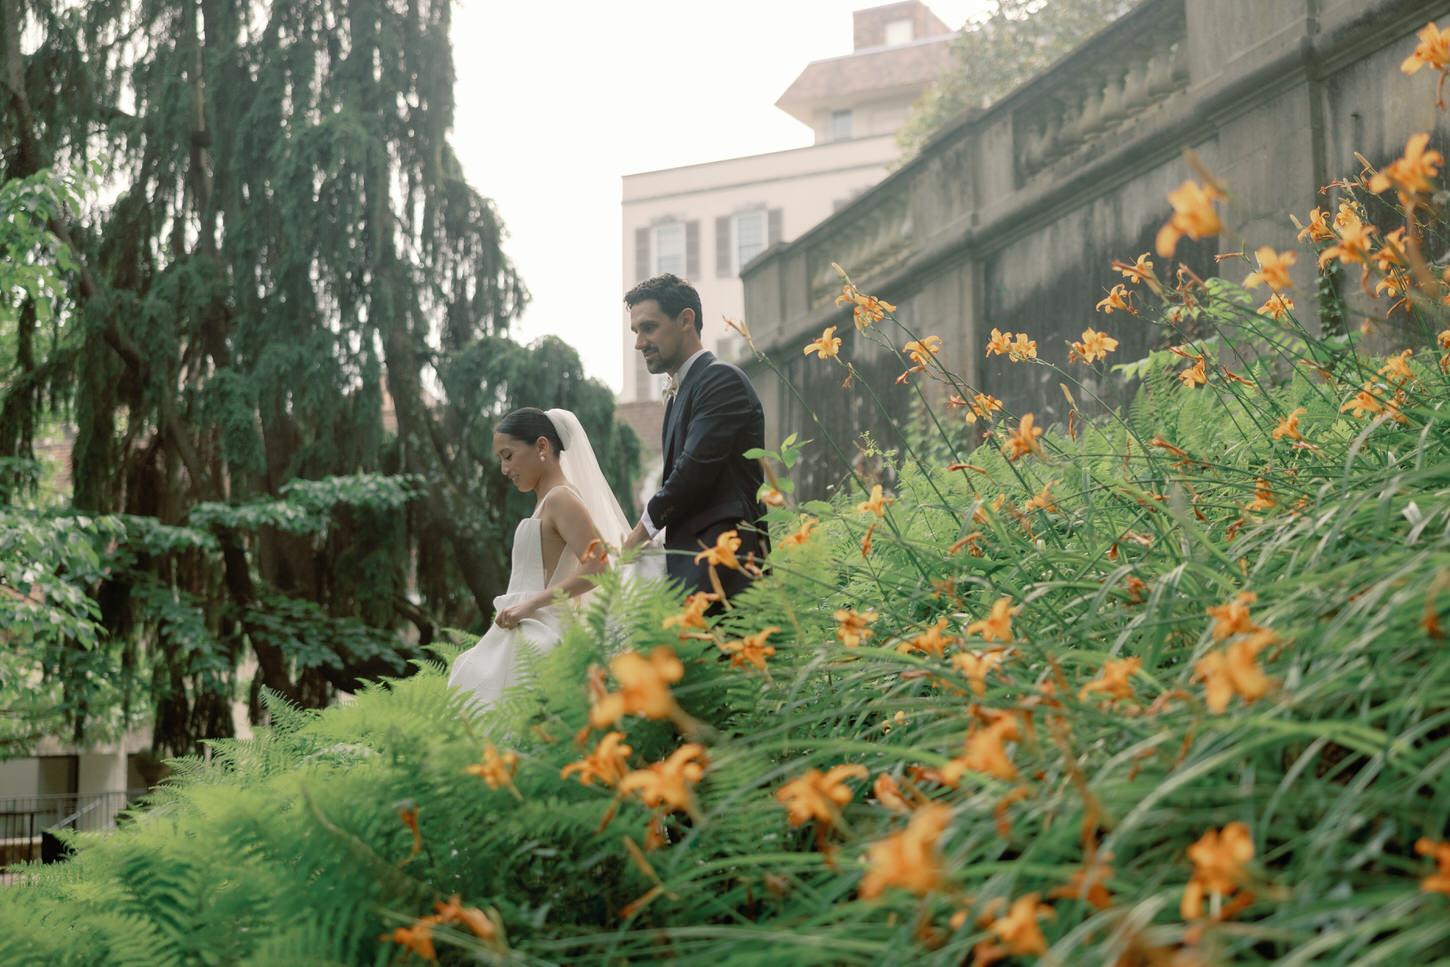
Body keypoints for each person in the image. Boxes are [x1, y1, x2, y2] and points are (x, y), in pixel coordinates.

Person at [448, 407, 630, 710]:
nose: (504, 469)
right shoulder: (546, 502)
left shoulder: (562, 498)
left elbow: (599, 566)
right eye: (500, 460)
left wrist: (532, 604)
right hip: (522, 627)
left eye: (508, 456)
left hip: (541, 631)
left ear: (542, 446)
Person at [622, 273, 767, 601]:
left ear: (686, 319)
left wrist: (638, 534)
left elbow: (692, 471)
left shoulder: (720, 380)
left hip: (729, 572)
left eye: (649, 328)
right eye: (635, 331)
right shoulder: (678, 394)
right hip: (695, 573)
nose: (639, 343)